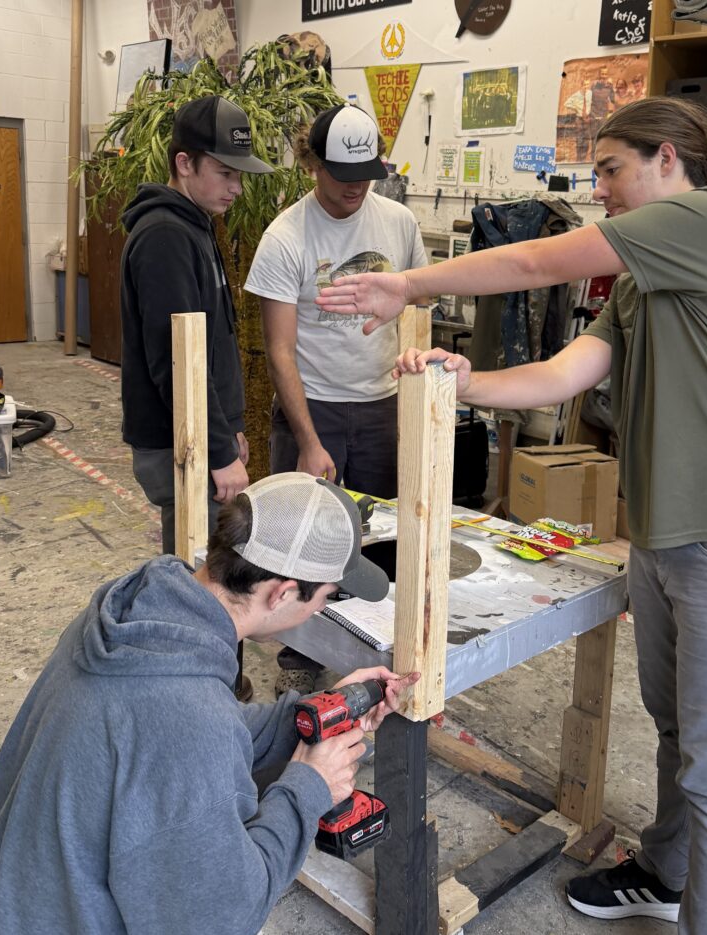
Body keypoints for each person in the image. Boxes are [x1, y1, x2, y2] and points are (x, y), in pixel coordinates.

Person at [316, 97, 707, 935]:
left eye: (612, 170)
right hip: (665, 535)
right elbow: (562, 371)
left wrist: (410, 283)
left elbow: (532, 264)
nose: (602, 191)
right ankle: (665, 869)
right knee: (676, 729)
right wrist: (462, 379)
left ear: (667, 160)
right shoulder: (644, 281)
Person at [0, 472, 420, 935]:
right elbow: (222, 915)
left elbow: (201, 730)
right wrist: (309, 788)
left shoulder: (136, 618)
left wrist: (323, 709)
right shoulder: (189, 721)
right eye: (328, 596)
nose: (322, 608)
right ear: (281, 592)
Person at [244, 102, 426, 697]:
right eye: (342, 175)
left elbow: (419, 304)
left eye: (365, 176)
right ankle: (299, 661)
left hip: (380, 405)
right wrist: (309, 439)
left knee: (379, 536)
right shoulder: (286, 236)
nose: (355, 188)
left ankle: (373, 651)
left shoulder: (398, 223)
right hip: (313, 405)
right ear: (312, 166)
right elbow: (279, 350)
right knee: (303, 538)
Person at [120, 95, 268, 556]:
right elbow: (175, 357)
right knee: (199, 575)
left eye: (239, 175)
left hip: (204, 434)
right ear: (184, 163)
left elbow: (214, 341)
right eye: (225, 173)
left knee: (208, 567)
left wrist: (231, 427)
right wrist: (218, 452)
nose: (237, 187)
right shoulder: (165, 236)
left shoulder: (194, 225)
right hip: (181, 443)